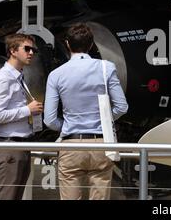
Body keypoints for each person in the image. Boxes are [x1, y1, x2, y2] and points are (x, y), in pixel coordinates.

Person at [44, 23, 128, 200]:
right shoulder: (107, 67)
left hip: (71, 144)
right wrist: (103, 120)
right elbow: (122, 106)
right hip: (101, 143)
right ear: (91, 45)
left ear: (67, 44)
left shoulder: (56, 74)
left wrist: (67, 125)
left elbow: (50, 120)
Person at [0, 33, 43, 200]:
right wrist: (28, 110)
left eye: (33, 49)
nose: (31, 52)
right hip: (10, 147)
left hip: (19, 146)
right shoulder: (4, 78)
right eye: (27, 49)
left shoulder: (17, 76)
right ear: (13, 50)